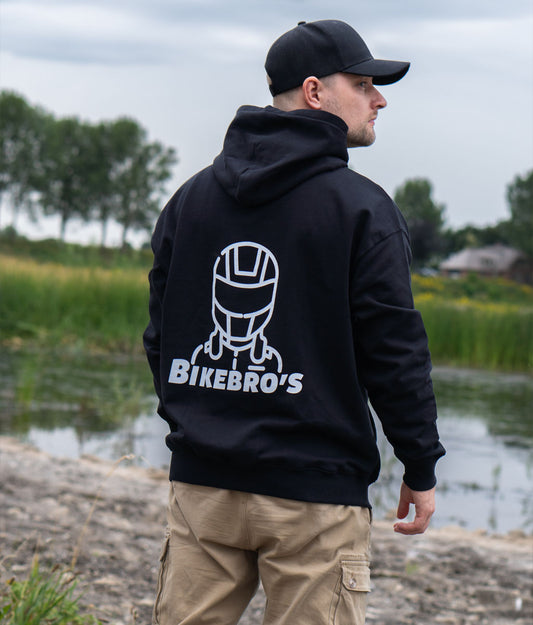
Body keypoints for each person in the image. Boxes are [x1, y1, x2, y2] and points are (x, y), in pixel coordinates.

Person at [143, 19, 445, 625]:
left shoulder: (191, 200)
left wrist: (197, 423)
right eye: (363, 85)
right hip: (316, 496)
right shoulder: (362, 208)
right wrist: (419, 462)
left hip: (204, 485)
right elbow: (394, 352)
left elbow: (161, 336)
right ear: (314, 91)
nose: (379, 100)